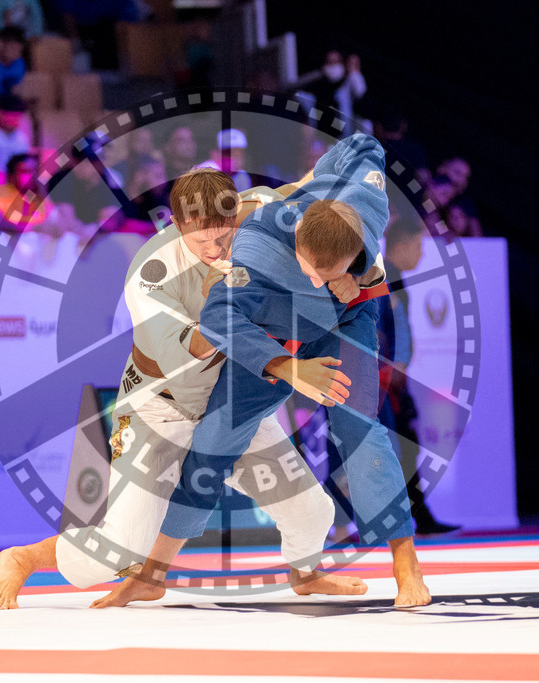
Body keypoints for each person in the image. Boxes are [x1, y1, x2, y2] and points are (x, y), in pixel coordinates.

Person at [0, 168, 366, 609]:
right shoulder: (152, 273)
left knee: (312, 510)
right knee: (122, 550)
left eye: (223, 236)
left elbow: (311, 202)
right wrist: (224, 306)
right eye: (199, 240)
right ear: (175, 224)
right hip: (160, 410)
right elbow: (189, 348)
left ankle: (306, 575)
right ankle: (24, 557)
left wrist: (344, 270)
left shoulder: (259, 212)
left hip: (229, 406)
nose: (214, 249)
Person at [90, 133, 432, 609]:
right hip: (272, 334)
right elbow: (219, 319)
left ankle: (405, 564)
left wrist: (368, 275)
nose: (215, 244)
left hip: (345, 322)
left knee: (358, 429)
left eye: (327, 270)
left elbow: (359, 145)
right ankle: (153, 572)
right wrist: (287, 367)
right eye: (310, 268)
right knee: (217, 434)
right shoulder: (254, 248)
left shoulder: (367, 206)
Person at [376, 215, 460, 535]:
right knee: (399, 448)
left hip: (392, 377)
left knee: (405, 447)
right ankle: (413, 518)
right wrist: (394, 364)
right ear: (405, 243)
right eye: (420, 246)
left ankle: (418, 517)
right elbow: (386, 327)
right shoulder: (386, 277)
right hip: (386, 379)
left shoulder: (392, 276)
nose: (423, 255)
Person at [0, 153, 78, 235]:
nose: (32, 176)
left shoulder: (39, 194)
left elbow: (56, 222)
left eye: (34, 171)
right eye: (26, 171)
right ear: (11, 176)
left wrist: (43, 193)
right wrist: (31, 228)